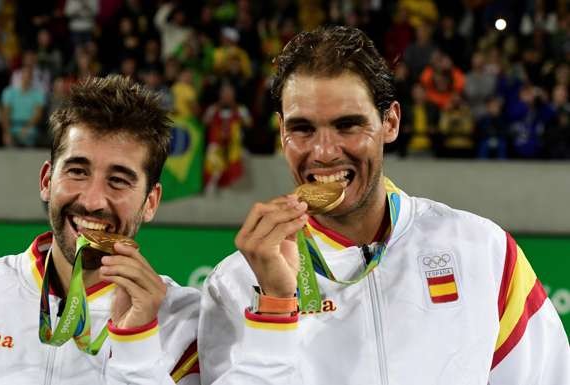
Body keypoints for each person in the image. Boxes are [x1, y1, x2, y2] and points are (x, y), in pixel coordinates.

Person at [198, 26, 569, 385]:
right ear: (281, 133)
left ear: (390, 122)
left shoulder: (483, 251)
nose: (324, 152)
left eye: (347, 126)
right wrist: (274, 309)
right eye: (303, 129)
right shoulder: (236, 285)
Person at [0, 75, 200, 384]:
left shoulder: (183, 323)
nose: (91, 201)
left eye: (118, 180)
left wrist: (138, 343)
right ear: (47, 181)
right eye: (77, 171)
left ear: (150, 202)